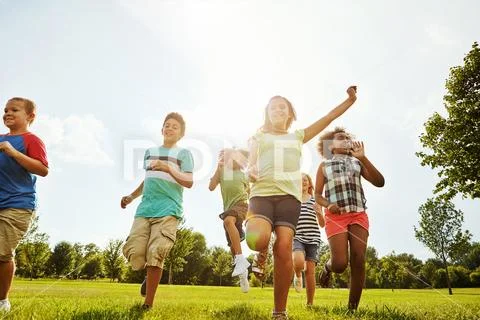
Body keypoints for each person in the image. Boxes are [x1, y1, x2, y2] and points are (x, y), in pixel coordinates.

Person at [245, 86, 358, 319]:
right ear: (267, 113)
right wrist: (252, 170)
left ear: (289, 114)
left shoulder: (297, 136)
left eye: (282, 106)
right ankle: (260, 253)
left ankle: (279, 311)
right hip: (262, 194)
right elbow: (251, 161)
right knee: (258, 240)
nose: (277, 109)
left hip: (289, 198)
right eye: (273, 107)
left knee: (284, 245)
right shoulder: (259, 136)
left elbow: (328, 118)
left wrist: (349, 100)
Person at [121, 112, 194, 310]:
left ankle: (148, 304)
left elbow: (189, 181)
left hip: (169, 209)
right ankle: (148, 274)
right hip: (145, 209)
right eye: (167, 125)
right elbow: (149, 180)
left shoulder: (184, 154)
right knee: (135, 253)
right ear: (162, 129)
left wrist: (169, 168)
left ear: (181, 134)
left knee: (156, 253)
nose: (169, 128)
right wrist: (131, 196)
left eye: (174, 127)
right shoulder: (150, 152)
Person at [315, 127, 384, 310]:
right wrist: (328, 205)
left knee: (358, 258)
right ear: (330, 146)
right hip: (335, 216)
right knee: (340, 264)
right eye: (340, 138)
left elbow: (380, 182)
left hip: (358, 213)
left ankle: (352, 309)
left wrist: (363, 158)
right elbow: (317, 195)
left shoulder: (357, 162)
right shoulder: (324, 166)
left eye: (347, 138)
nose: (346, 140)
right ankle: (328, 268)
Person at [0, 97, 49, 313]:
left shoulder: (32, 140)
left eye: (15, 110)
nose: (8, 113)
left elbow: (42, 169)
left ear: (30, 116)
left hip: (18, 204)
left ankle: (2, 301)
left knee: (1, 252)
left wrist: (13, 152)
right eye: (5, 110)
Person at [209, 148, 250, 293]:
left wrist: (251, 215)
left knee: (228, 221)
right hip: (229, 209)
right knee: (232, 245)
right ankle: (243, 273)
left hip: (242, 205)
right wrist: (217, 168)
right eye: (221, 156)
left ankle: (239, 259)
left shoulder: (243, 175)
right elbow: (211, 187)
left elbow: (250, 194)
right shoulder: (221, 172)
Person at [292, 173, 324, 307]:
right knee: (298, 262)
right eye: (300, 180)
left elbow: (322, 224)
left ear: (309, 184)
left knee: (310, 272)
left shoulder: (315, 201)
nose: (303, 182)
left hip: (313, 238)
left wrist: (319, 212)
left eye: (305, 180)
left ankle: (310, 303)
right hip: (298, 236)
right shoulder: (293, 200)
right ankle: (298, 274)